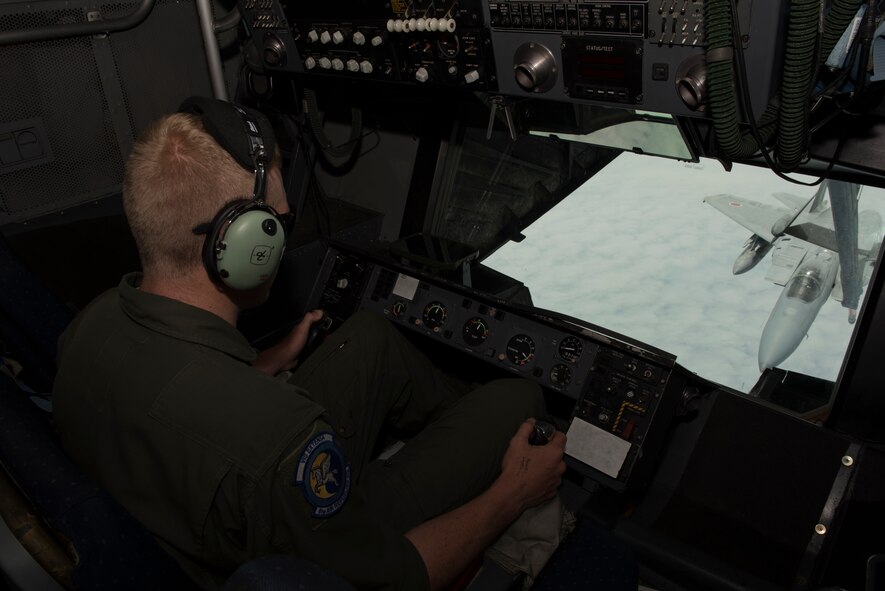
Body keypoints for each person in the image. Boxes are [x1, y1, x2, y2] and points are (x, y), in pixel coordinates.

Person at [52, 96, 568, 591]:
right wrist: (513, 492)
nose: (281, 237)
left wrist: (257, 367)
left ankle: (456, 439)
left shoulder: (89, 323)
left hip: (199, 510)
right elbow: (401, 579)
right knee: (515, 398)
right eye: (277, 222)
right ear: (243, 245)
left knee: (370, 334)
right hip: (291, 553)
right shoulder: (285, 439)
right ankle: (487, 453)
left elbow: (166, 413)